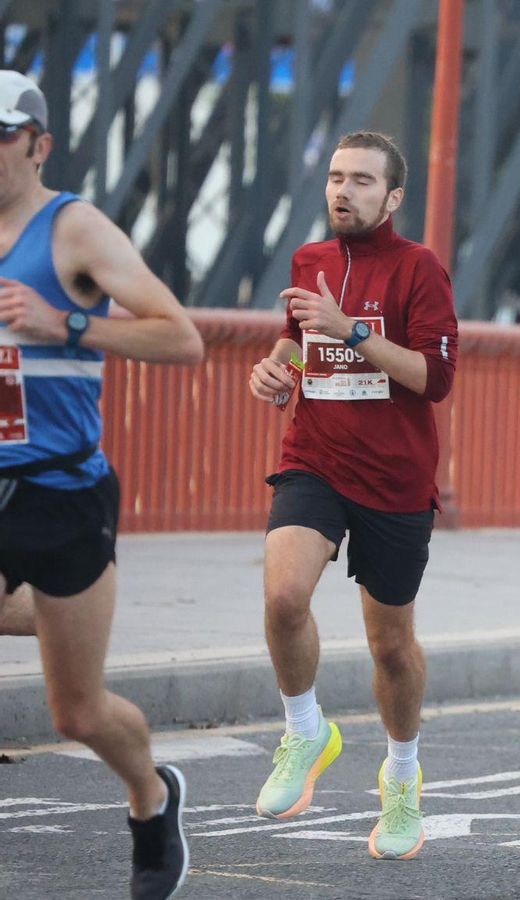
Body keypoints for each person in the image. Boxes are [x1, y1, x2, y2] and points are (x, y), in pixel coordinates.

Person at [0, 71, 203, 898]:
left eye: (0, 136)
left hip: (61, 493)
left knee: (76, 712)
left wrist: (68, 323)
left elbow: (182, 339)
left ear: (38, 145)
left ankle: (153, 797)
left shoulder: (72, 230)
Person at [245, 131, 458, 860]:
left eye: (362, 181)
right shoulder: (311, 262)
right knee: (282, 596)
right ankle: (305, 731)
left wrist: (354, 330)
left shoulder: (419, 269)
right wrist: (274, 371)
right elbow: (295, 344)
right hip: (316, 459)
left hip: (396, 481)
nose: (344, 191)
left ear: (393, 197)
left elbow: (435, 378)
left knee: (390, 647)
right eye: (337, 178)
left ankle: (402, 780)